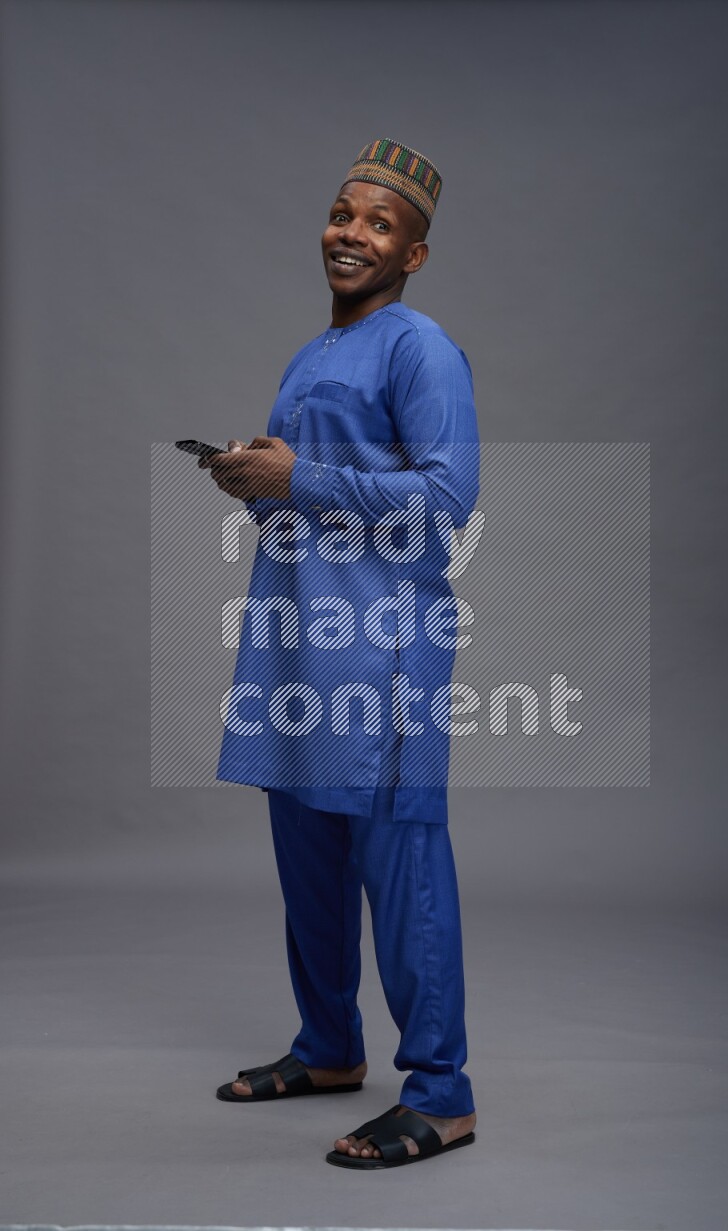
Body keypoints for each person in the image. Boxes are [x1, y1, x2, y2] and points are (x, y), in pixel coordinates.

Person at [200, 139, 480, 1169]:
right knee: (308, 866)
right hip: (296, 648)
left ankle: (441, 1091)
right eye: (340, 213)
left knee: (399, 868)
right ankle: (327, 1047)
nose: (349, 233)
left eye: (377, 224)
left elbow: (448, 503)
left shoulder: (420, 348)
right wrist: (254, 473)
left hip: (382, 652)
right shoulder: (311, 354)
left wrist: (300, 476)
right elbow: (311, 479)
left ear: (411, 253)